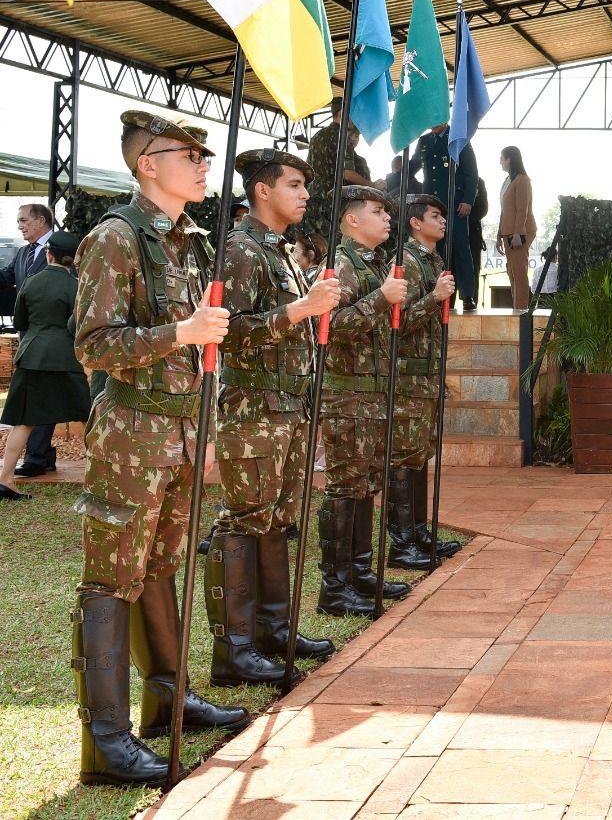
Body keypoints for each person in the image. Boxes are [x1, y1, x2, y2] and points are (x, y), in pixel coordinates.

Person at [71, 111, 246, 787]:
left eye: (205, 155)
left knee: (160, 567)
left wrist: (205, 426)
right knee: (113, 577)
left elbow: (204, 349)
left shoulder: (188, 240)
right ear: (149, 164)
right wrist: (181, 331)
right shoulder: (116, 238)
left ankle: (169, 701)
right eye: (189, 154)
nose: (203, 165)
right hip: (133, 434)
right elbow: (94, 345)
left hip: (180, 432)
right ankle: (106, 742)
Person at [207, 149, 343, 689]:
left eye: (305, 185)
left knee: (276, 519)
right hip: (254, 410)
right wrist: (300, 309)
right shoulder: (241, 250)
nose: (305, 194)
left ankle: (273, 632)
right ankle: (234, 650)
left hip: (287, 408)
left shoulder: (278, 250)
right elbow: (227, 331)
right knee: (243, 521)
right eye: (294, 184)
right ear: (262, 191)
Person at [319, 185, 411, 617]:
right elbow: (329, 326)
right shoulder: (340, 265)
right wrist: (381, 299)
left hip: (371, 394)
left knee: (365, 485)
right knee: (344, 487)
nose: (387, 218)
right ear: (352, 219)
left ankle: (358, 571)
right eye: (378, 211)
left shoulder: (373, 264)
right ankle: (335, 586)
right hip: (347, 394)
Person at [387, 193, 460, 569]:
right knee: (403, 458)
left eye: (443, 216)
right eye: (435, 215)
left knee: (419, 455)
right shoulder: (405, 262)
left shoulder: (434, 261)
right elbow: (396, 322)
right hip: (407, 376)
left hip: (427, 374)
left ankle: (418, 532)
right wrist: (435, 297)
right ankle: (401, 543)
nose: (442, 221)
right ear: (415, 223)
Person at [0, 232, 89, 501]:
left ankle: (5, 480)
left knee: (23, 421)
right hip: (65, 359)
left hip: (32, 356)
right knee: (88, 419)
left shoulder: (31, 281)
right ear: (72, 260)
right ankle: (102, 481)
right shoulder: (77, 287)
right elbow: (80, 326)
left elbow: (19, 322)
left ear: (49, 255)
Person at [4, 203, 62, 478]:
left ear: (41, 220)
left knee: (41, 393)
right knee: (38, 393)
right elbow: (7, 278)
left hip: (51, 335)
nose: (20, 226)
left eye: (23, 220)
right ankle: (44, 456)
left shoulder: (62, 248)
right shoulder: (23, 253)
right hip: (27, 335)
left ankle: (37, 457)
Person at [416, 124, 479, 311]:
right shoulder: (424, 141)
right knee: (437, 252)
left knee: (460, 249)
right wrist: (395, 176)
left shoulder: (458, 137)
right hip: (432, 207)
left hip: (455, 205)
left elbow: (471, 173)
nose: (432, 123)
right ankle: (442, 296)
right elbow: (413, 166)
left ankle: (467, 295)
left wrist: (468, 200)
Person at [304, 104, 371, 245]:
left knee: (315, 246)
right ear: (342, 113)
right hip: (332, 202)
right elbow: (347, 174)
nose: (354, 121)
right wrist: (371, 186)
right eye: (352, 116)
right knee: (334, 247)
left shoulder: (317, 136)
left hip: (312, 200)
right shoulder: (342, 136)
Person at [497, 146, 537, 311]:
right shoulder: (508, 180)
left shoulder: (522, 180)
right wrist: (499, 235)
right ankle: (517, 309)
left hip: (520, 232)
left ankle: (522, 312)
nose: (500, 162)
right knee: (512, 273)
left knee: (519, 273)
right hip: (508, 232)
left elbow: (523, 209)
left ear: (510, 159)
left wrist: (518, 234)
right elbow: (504, 211)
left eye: (502, 158)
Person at [470, 176, 489, 299]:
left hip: (472, 235)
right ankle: (447, 306)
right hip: (450, 236)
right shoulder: (448, 178)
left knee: (473, 273)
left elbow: (483, 208)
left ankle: (471, 302)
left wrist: (464, 219)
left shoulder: (477, 181)